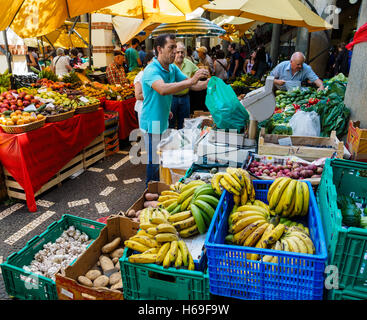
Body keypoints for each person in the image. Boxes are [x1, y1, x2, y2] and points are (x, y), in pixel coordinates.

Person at [140, 34, 209, 185]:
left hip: (163, 119)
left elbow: (192, 85)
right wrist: (192, 80)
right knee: (154, 161)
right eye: (171, 48)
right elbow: (163, 89)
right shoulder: (151, 70)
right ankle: (150, 190)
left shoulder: (172, 68)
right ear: (159, 49)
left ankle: (161, 186)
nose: (175, 51)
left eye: (175, 48)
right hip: (152, 123)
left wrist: (209, 83)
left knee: (163, 158)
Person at [169, 42, 199, 129]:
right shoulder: (169, 64)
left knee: (184, 124)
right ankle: (171, 141)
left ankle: (183, 141)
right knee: (170, 123)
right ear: (174, 52)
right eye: (178, 52)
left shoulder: (189, 63)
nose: (180, 54)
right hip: (172, 98)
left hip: (185, 97)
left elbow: (197, 71)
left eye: (182, 52)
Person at [134, 52, 155, 125]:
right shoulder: (141, 76)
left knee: (156, 134)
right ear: (148, 62)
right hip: (144, 110)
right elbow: (138, 95)